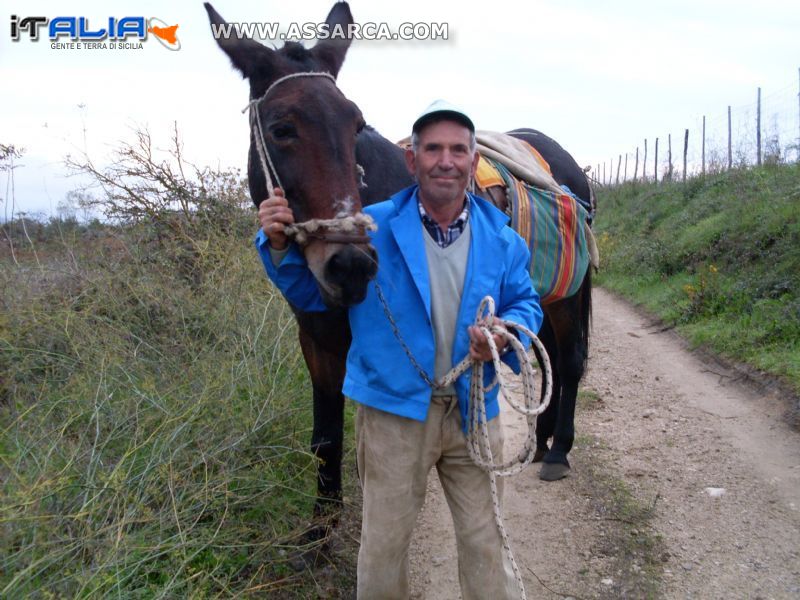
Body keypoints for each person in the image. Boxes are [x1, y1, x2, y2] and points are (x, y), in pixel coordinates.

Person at [256, 99, 543, 599]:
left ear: (473, 161)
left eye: (458, 149)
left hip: (476, 409)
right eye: (432, 149)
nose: (445, 160)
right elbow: (311, 295)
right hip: (392, 416)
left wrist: (505, 332)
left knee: (486, 542)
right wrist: (278, 244)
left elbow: (525, 303)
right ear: (412, 161)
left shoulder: (504, 239)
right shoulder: (368, 229)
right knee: (384, 548)